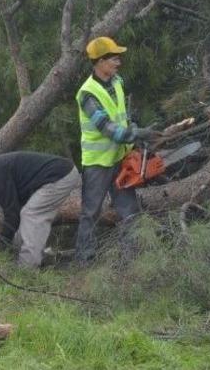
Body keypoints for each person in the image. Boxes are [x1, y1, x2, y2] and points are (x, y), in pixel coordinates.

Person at [73, 36, 159, 264]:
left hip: (119, 158)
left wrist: (134, 136)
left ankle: (132, 261)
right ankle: (85, 262)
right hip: (97, 164)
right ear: (100, 61)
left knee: (130, 211)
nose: (118, 62)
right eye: (113, 58)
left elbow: (122, 116)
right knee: (90, 213)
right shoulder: (87, 94)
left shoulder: (117, 81)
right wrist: (138, 133)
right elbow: (107, 129)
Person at [0, 151, 80, 268]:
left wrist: (4, 243)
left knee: (31, 214)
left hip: (60, 175)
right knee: (28, 214)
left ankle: (26, 266)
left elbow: (12, 213)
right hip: (59, 174)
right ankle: (22, 253)